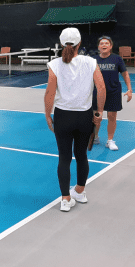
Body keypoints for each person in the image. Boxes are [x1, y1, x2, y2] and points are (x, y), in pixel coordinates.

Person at [44, 27, 106, 212]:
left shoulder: (54, 64)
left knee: (64, 158)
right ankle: (80, 191)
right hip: (84, 117)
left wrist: (47, 114)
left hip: (63, 116)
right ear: (80, 43)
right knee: (81, 156)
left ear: (62, 43)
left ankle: (65, 199)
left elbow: (50, 92)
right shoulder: (90, 62)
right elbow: (101, 88)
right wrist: (99, 113)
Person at [91, 36, 133, 151]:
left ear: (111, 46)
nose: (104, 45)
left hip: (113, 92)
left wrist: (129, 89)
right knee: (96, 117)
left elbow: (125, 74)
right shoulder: (93, 60)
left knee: (112, 117)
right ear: (98, 47)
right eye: (101, 43)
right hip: (97, 93)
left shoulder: (117, 59)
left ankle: (110, 140)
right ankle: (95, 137)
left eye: (106, 43)